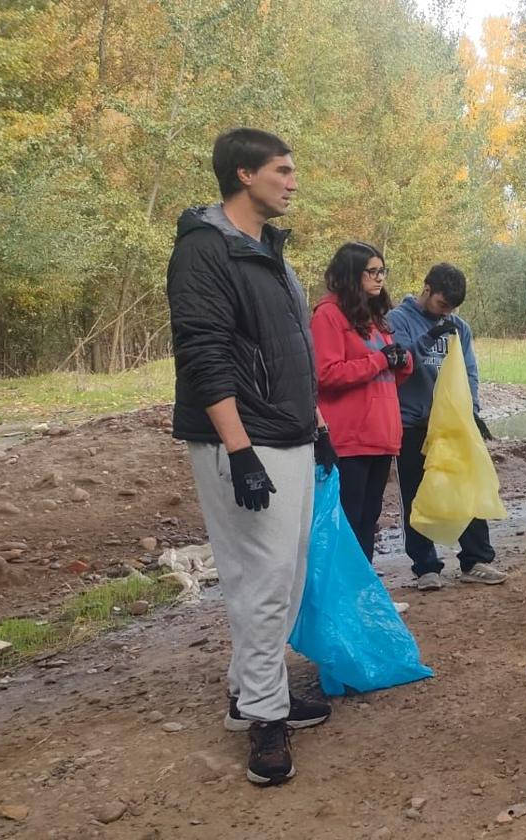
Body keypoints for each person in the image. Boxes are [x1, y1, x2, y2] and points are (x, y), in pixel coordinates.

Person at [167, 127, 334, 787]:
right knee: (261, 581)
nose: (292, 182)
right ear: (243, 174)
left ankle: (249, 691)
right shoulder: (204, 252)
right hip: (243, 439)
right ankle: (267, 716)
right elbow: (202, 352)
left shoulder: (269, 252)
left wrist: (314, 418)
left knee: (283, 575)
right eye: (282, 171)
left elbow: (287, 349)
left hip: (287, 433)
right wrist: (239, 450)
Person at [389, 263, 508, 591]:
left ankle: (476, 559)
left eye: (452, 308)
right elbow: (397, 362)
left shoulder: (458, 327)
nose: (447, 313)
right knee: (416, 492)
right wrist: (427, 339)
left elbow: (469, 371)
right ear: (426, 290)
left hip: (452, 425)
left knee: (466, 485)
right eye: (443, 305)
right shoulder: (397, 320)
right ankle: (425, 565)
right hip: (413, 421)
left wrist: (473, 412)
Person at [311, 242, 413, 561]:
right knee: (348, 523)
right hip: (350, 438)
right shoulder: (327, 315)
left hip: (381, 436)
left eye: (382, 271)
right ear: (351, 274)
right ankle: (344, 600)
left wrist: (401, 360)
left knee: (369, 521)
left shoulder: (373, 317)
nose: (379, 278)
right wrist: (379, 361)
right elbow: (325, 375)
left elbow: (387, 377)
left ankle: (364, 598)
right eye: (372, 271)